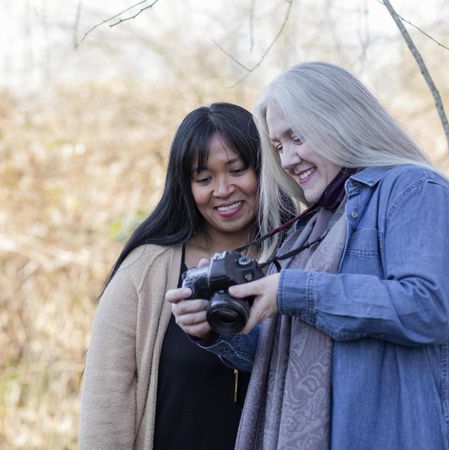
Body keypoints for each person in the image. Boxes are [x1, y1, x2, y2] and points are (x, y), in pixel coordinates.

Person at [169, 62, 449, 449]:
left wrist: (291, 291)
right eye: (278, 146)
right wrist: (216, 326)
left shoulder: (415, 191)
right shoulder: (314, 226)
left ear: (341, 119)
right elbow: (285, 354)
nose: (287, 159)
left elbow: (426, 308)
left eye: (297, 137)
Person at [79, 102, 294, 449]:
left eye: (238, 170)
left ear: (265, 167)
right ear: (186, 186)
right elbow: (106, 396)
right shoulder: (146, 271)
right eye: (204, 179)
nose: (223, 190)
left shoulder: (302, 254)